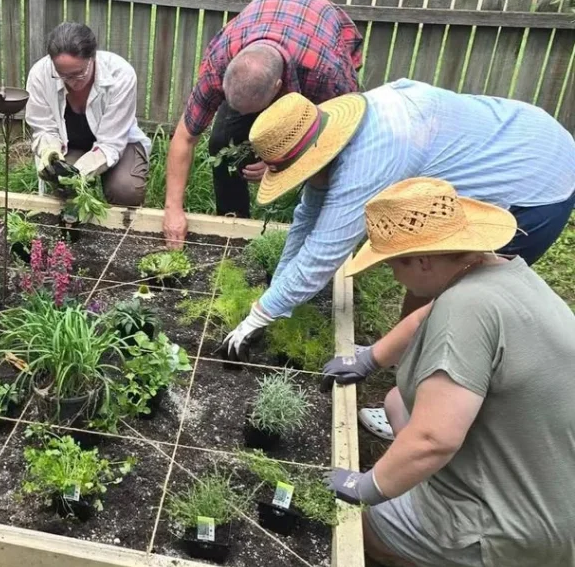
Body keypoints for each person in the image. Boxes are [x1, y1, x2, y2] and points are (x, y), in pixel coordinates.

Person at [324, 178, 575, 567]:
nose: (392, 275)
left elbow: (434, 439)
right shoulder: (500, 273)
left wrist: (367, 486)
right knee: (400, 399)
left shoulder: (468, 310)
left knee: (357, 530)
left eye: (393, 264)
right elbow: (425, 317)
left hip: (529, 522)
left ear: (421, 261)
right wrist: (369, 359)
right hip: (554, 477)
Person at [220, 79, 575, 360]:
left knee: (461, 300)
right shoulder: (329, 135)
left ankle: (421, 406)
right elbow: (307, 218)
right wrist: (272, 298)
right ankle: (395, 357)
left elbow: (322, 255)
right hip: (517, 131)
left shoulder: (371, 159)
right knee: (426, 275)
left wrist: (258, 316)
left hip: (536, 180)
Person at [163, 0, 362, 245]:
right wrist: (173, 209)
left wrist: (280, 160)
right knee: (222, 139)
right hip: (263, 25)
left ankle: (312, 229)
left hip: (317, 32)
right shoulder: (219, 63)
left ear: (278, 86)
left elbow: (335, 137)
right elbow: (185, 137)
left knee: (322, 162)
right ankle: (233, 225)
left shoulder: (326, 74)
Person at [26, 21, 151, 207]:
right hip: (69, 145)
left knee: (126, 189)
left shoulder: (121, 75)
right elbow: (43, 128)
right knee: (63, 186)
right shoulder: (40, 74)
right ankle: (73, 231)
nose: (72, 82)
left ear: (92, 58)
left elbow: (111, 144)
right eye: (62, 75)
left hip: (120, 143)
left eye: (79, 74)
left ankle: (121, 227)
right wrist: (49, 150)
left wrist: (79, 171)